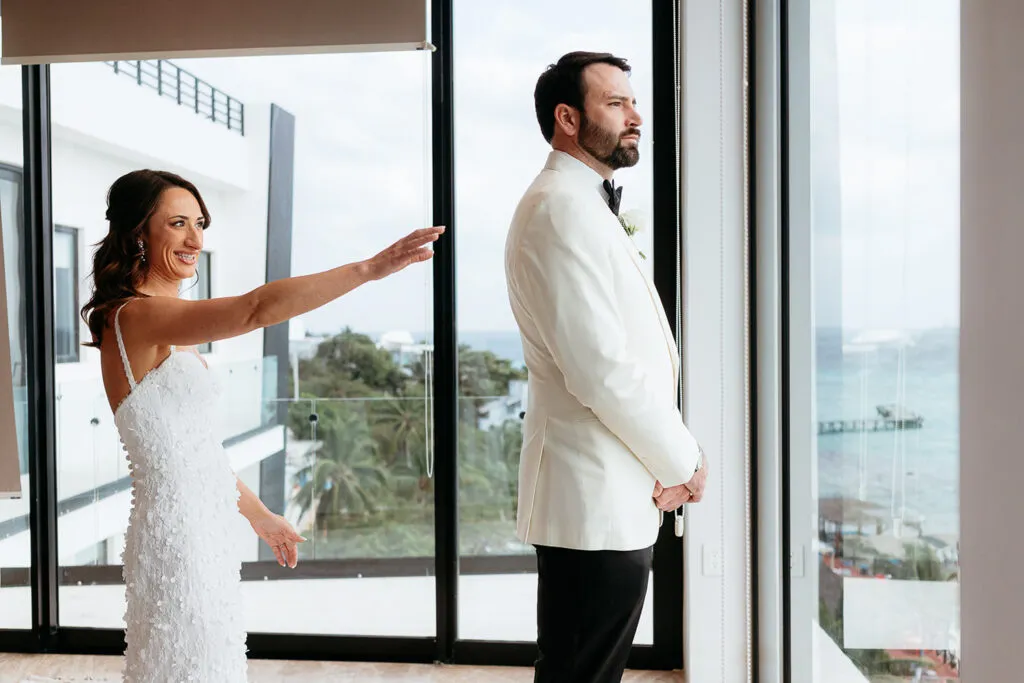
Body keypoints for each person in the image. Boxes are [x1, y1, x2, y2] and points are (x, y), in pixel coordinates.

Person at [80, 169, 443, 682]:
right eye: (177, 223)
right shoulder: (135, 318)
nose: (195, 239)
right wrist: (368, 269)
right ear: (140, 232)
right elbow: (255, 309)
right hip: (176, 538)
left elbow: (196, 452)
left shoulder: (165, 320)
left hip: (204, 531)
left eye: (199, 223)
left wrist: (259, 515)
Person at [503, 52, 709, 682]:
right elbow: (601, 370)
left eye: (632, 101)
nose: (635, 116)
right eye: (615, 103)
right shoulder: (559, 208)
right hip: (592, 500)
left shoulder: (577, 202)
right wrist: (686, 463)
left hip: (607, 495)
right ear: (568, 118)